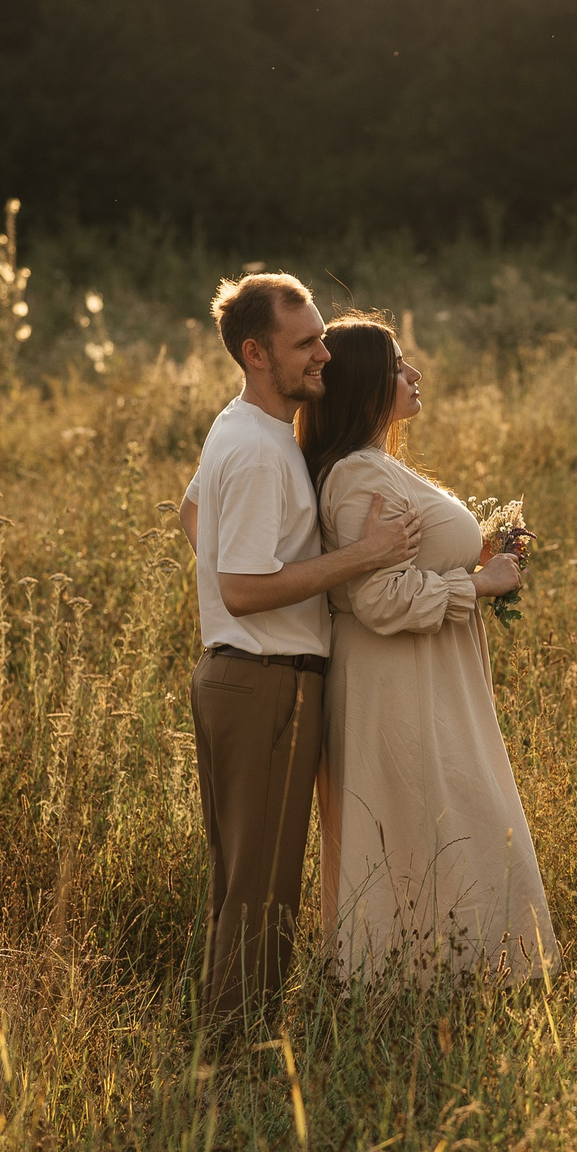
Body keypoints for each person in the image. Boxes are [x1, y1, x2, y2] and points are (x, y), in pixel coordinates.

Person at [176, 274, 420, 1038]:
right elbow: (245, 589)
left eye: (319, 335)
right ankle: (233, 1063)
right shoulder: (256, 450)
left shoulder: (244, 428)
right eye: (306, 343)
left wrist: (253, 571)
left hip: (240, 677)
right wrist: (363, 556)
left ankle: (226, 1049)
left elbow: (192, 514)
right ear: (255, 353)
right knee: (261, 893)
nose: (324, 354)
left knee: (242, 883)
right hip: (265, 681)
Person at [301, 316, 558, 983]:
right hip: (398, 682)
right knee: (425, 818)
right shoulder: (357, 477)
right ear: (362, 385)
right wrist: (479, 582)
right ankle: (416, 976)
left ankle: (450, 969)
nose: (413, 376)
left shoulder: (377, 466)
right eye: (397, 366)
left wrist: (482, 546)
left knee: (446, 816)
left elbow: (401, 567)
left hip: (426, 674)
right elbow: (378, 599)